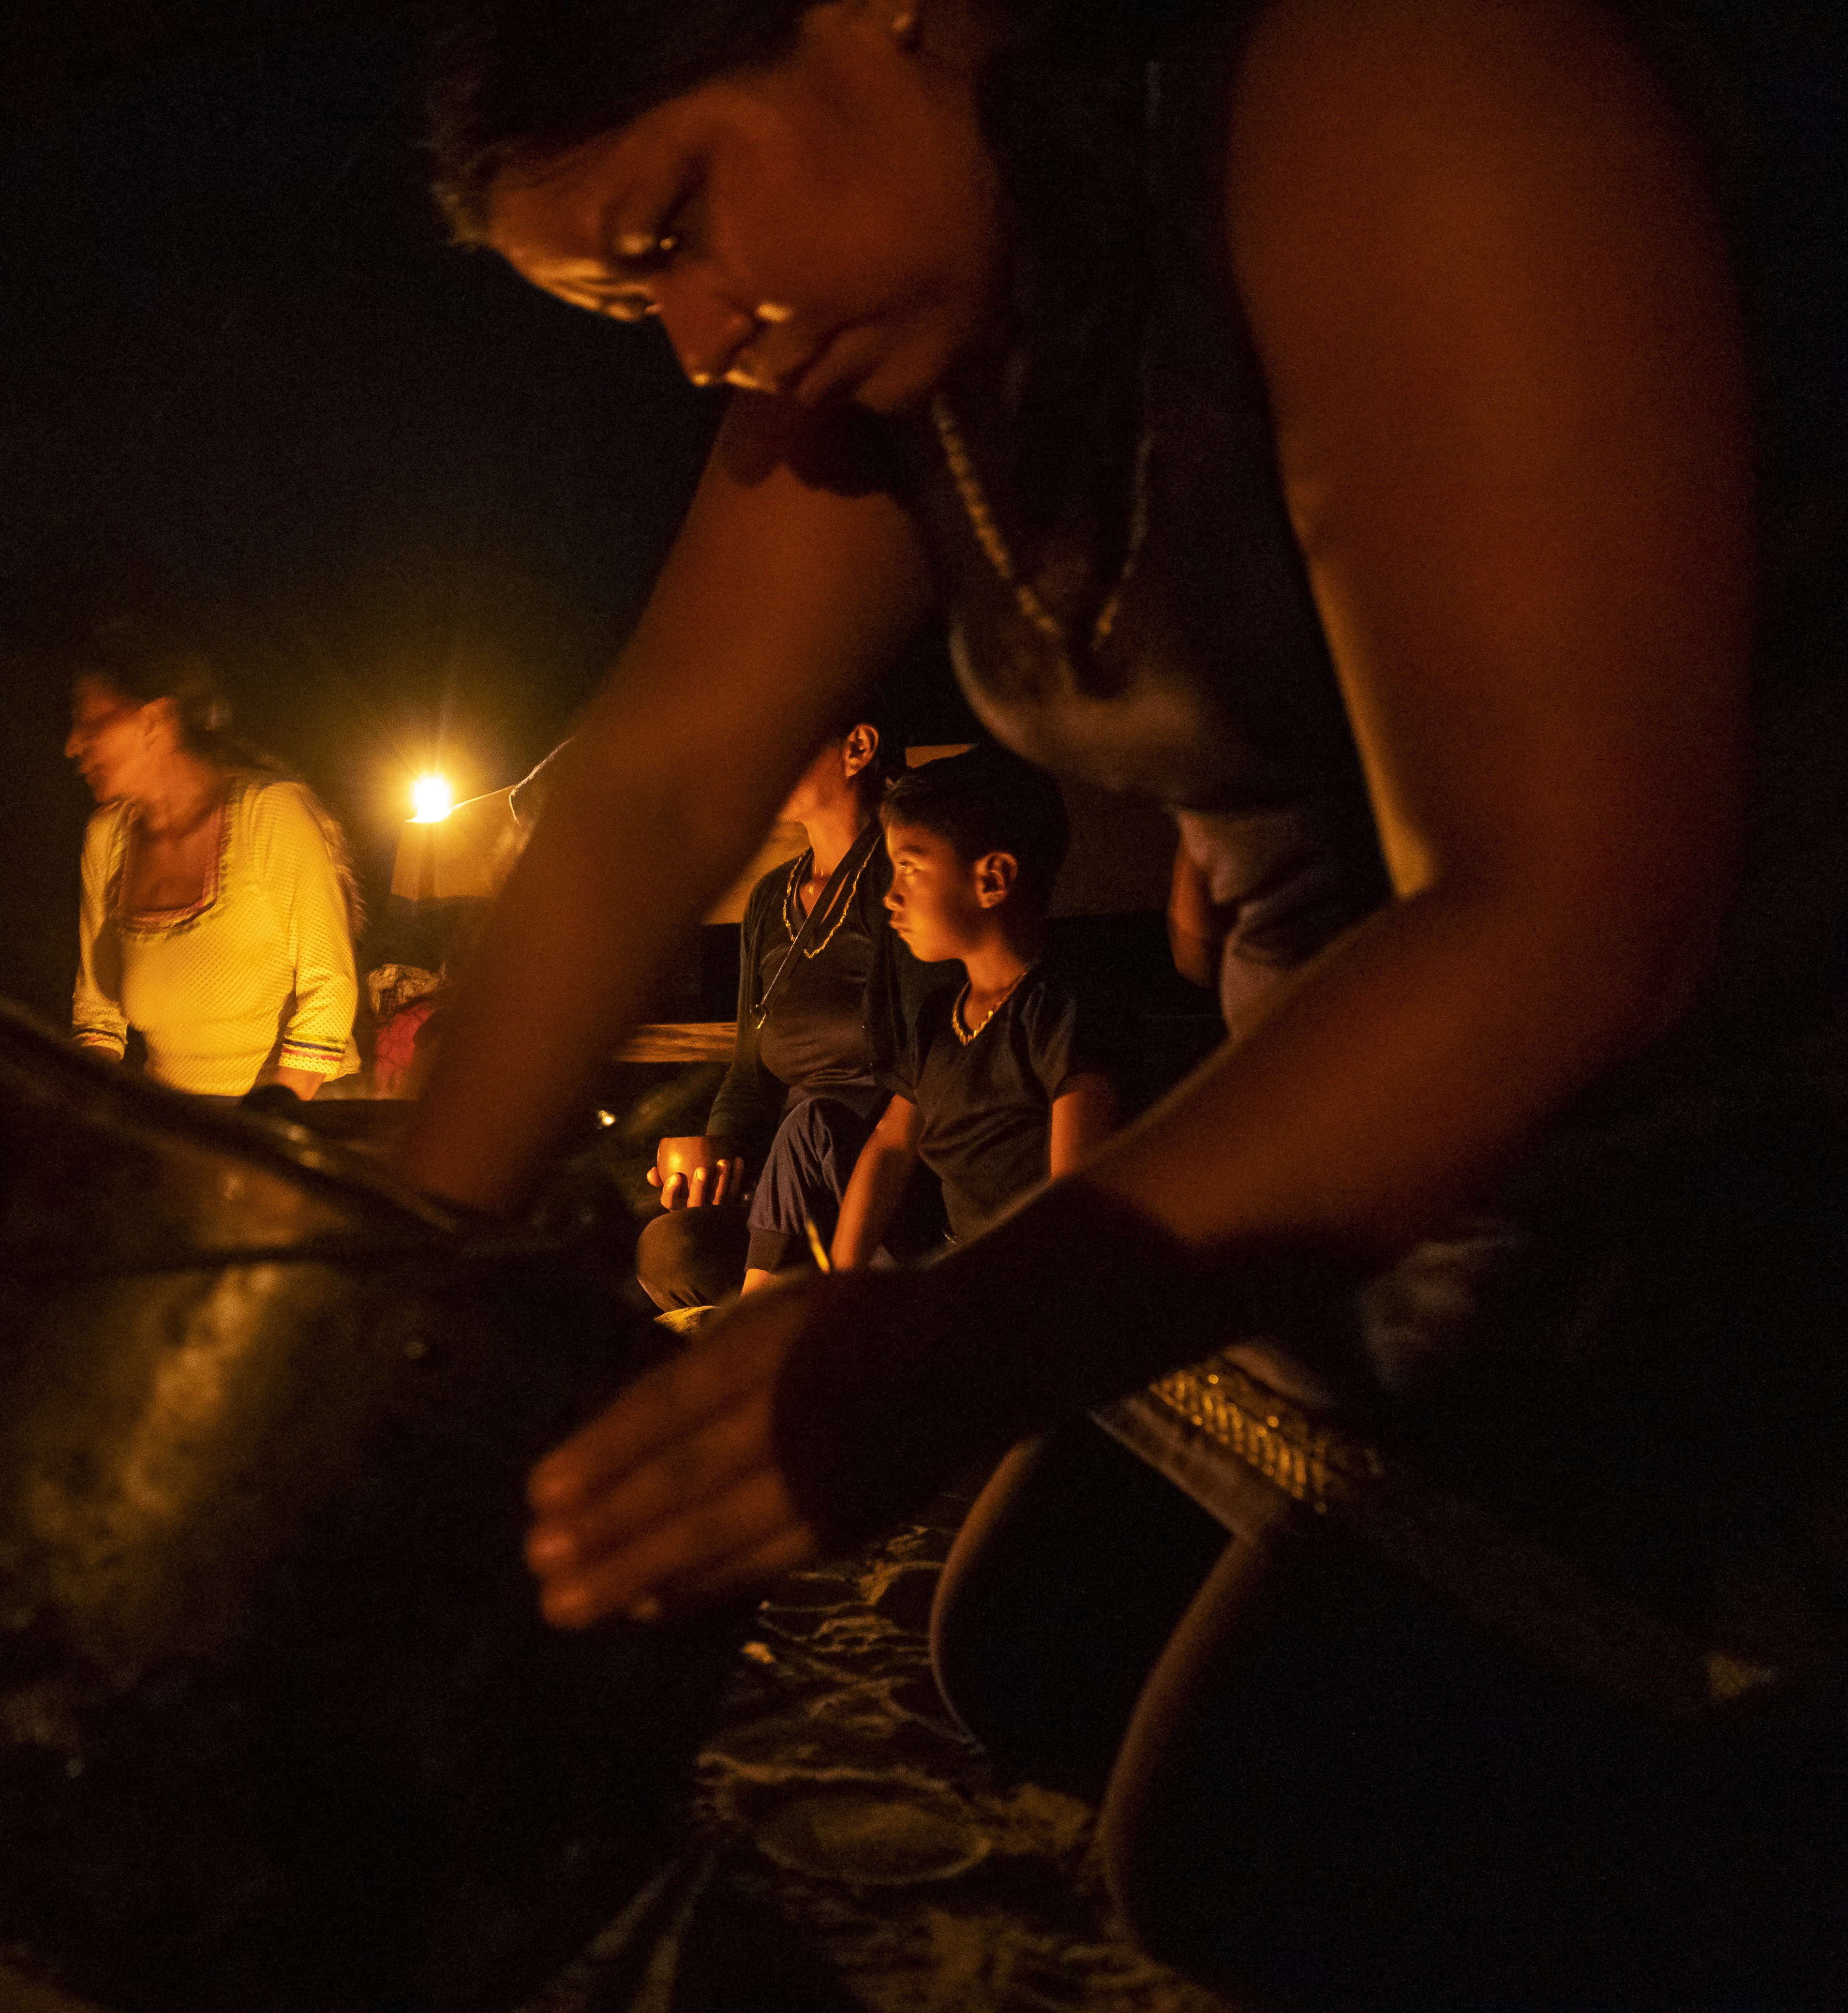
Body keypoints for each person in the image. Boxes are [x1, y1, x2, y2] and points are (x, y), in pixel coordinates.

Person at [396, 0, 1848, 2001]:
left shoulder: (1387, 70)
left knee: (1247, 1848)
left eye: (674, 229)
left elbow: (1573, 914)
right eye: (619, 306)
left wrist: (946, 1345)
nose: (693, 338)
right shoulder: (906, 346)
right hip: (1360, 1121)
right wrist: (345, 1295)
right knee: (1030, 1647)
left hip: (1715, 1139)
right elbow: (648, 791)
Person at [635, 718, 926, 1307]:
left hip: (884, 1176)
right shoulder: (772, 898)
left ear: (858, 748)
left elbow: (933, 1067)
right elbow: (750, 1073)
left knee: (808, 1125)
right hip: (786, 1179)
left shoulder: (904, 883)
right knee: (665, 1244)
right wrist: (716, 1152)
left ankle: (768, 1349)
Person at [828, 744, 1128, 1268]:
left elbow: (1075, 1198)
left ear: (992, 879)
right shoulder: (939, 1017)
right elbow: (891, 1149)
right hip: (960, 1260)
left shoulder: (1059, 1010)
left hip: (1036, 1271)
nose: (890, 896)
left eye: (910, 868)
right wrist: (841, 1279)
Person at [64, 619, 361, 1098]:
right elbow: (99, 1015)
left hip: (302, 1113)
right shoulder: (107, 840)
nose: (73, 745)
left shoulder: (270, 814)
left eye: (90, 723)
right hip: (186, 1126)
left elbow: (330, 990)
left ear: (154, 722)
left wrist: (266, 1127)